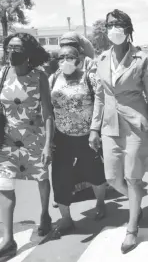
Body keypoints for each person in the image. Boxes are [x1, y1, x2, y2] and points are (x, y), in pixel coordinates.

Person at [89, 9, 148, 254]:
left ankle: (132, 229)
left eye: (119, 24)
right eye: (110, 24)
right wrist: (94, 128)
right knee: (112, 177)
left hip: (135, 124)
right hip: (109, 125)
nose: (114, 28)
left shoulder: (141, 59)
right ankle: (136, 202)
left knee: (132, 177)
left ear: (128, 28)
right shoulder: (101, 59)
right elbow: (100, 96)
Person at [0, 33, 54, 260]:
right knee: (4, 183)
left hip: (34, 138)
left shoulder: (39, 77)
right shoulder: (4, 73)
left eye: (18, 47)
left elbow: (48, 113)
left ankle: (44, 214)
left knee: (41, 179)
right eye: (9, 47)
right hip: (8, 141)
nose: (12, 52)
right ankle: (8, 239)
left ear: (29, 53)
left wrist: (47, 146)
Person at [49, 45, 107, 239]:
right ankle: (66, 219)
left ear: (78, 60)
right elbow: (46, 109)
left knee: (95, 172)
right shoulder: (53, 79)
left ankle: (100, 203)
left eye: (70, 57)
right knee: (60, 177)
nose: (65, 60)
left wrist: (95, 131)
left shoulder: (89, 77)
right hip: (61, 138)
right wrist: (48, 138)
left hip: (86, 136)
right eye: (61, 57)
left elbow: (100, 104)